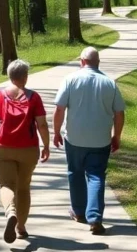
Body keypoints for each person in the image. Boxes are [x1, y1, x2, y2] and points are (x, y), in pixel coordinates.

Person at [53, 47, 125, 235]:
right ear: (98, 62)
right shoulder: (109, 83)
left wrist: (56, 132)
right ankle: (95, 218)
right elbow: (119, 113)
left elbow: (59, 109)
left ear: (82, 61)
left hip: (74, 138)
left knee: (75, 173)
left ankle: (78, 212)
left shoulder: (70, 80)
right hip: (100, 140)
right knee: (96, 176)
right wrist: (116, 136)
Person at [0, 59, 52, 243]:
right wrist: (46, 145)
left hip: (3, 147)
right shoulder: (34, 97)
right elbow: (42, 124)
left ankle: (10, 212)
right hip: (28, 149)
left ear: (9, 76)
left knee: (6, 185)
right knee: (23, 187)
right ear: (25, 77)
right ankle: (20, 227)